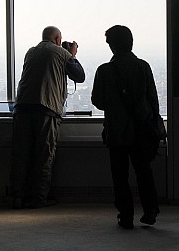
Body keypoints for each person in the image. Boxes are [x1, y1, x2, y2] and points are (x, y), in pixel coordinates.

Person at [91, 25, 164, 229]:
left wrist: (115, 106)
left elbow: (97, 100)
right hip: (142, 129)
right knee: (144, 171)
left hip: (117, 130)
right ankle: (150, 210)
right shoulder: (143, 67)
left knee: (120, 175)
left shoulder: (104, 70)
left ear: (111, 45)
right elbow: (153, 100)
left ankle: (126, 215)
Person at [10, 25, 85, 209]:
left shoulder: (30, 52)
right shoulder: (61, 53)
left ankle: (16, 196)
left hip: (22, 109)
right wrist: (72, 54)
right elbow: (80, 76)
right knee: (44, 156)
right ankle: (38, 198)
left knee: (21, 155)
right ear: (58, 39)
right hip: (46, 109)